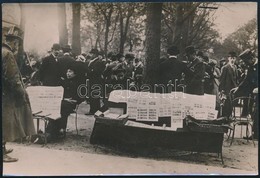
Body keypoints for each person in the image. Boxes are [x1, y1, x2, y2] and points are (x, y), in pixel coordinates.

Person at [2, 26, 36, 162]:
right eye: (17, 43)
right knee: (5, 123)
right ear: (13, 42)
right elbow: (13, 77)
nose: (17, 46)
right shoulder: (8, 54)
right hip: (6, 95)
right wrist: (22, 93)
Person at [45, 63, 85, 140]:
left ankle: (60, 129)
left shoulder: (79, 83)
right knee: (57, 106)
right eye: (67, 72)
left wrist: (76, 101)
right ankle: (52, 130)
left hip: (71, 104)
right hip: (63, 101)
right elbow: (57, 92)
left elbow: (81, 96)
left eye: (70, 72)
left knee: (62, 107)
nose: (68, 73)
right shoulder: (63, 82)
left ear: (75, 73)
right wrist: (64, 99)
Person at [233, 49, 258, 140]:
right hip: (255, 94)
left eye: (247, 61)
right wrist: (238, 88)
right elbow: (247, 80)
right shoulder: (251, 66)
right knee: (255, 113)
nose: (246, 64)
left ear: (251, 58)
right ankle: (256, 134)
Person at [86, 49, 106, 115]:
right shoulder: (94, 61)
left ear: (95, 54)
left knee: (94, 96)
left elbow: (95, 71)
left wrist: (89, 71)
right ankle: (95, 110)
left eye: (91, 54)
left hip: (95, 81)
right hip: (93, 81)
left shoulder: (98, 62)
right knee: (93, 96)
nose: (90, 55)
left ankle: (93, 110)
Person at [219, 51, 238, 118]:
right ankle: (225, 119)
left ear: (235, 59)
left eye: (234, 58)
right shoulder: (225, 68)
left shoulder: (235, 67)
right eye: (231, 58)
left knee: (232, 105)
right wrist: (221, 91)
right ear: (228, 59)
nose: (232, 60)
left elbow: (236, 79)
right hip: (226, 89)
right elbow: (222, 80)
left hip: (233, 90)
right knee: (226, 105)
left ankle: (229, 118)